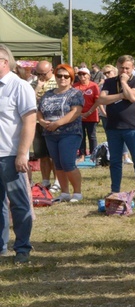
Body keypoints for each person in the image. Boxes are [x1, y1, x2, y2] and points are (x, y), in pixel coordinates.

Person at [0, 44, 36, 264]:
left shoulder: (19, 86)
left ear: (4, 62)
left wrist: (23, 153)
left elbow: (30, 121)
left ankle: (22, 248)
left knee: (19, 203)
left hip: (11, 155)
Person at [96, 55, 135, 202]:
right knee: (116, 161)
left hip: (132, 127)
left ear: (133, 68)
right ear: (117, 67)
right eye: (121, 68)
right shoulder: (109, 82)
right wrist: (120, 95)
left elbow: (132, 97)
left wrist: (124, 83)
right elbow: (102, 99)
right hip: (113, 127)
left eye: (127, 68)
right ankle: (115, 190)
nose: (124, 70)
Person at [37, 63, 85, 203]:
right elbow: (39, 110)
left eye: (66, 76)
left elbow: (76, 112)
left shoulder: (75, 93)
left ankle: (77, 193)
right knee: (57, 164)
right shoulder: (48, 94)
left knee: (67, 163)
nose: (62, 78)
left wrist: (57, 123)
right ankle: (64, 192)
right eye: (59, 75)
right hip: (50, 133)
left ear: (71, 78)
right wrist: (41, 121)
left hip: (70, 132)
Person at [31, 60, 58, 191]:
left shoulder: (58, 81)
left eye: (44, 73)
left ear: (51, 70)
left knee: (54, 154)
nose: (41, 76)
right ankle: (46, 180)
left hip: (52, 122)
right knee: (42, 154)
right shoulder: (34, 83)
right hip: (37, 123)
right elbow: (29, 100)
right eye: (38, 73)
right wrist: (38, 87)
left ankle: (58, 181)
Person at [73, 67, 100, 158]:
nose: (82, 76)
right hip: (78, 115)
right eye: (80, 74)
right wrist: (79, 113)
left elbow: (97, 101)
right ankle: (82, 154)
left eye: (84, 74)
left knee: (92, 136)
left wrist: (89, 112)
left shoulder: (94, 85)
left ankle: (94, 154)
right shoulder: (74, 86)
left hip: (91, 115)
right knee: (81, 136)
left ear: (89, 75)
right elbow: (72, 101)